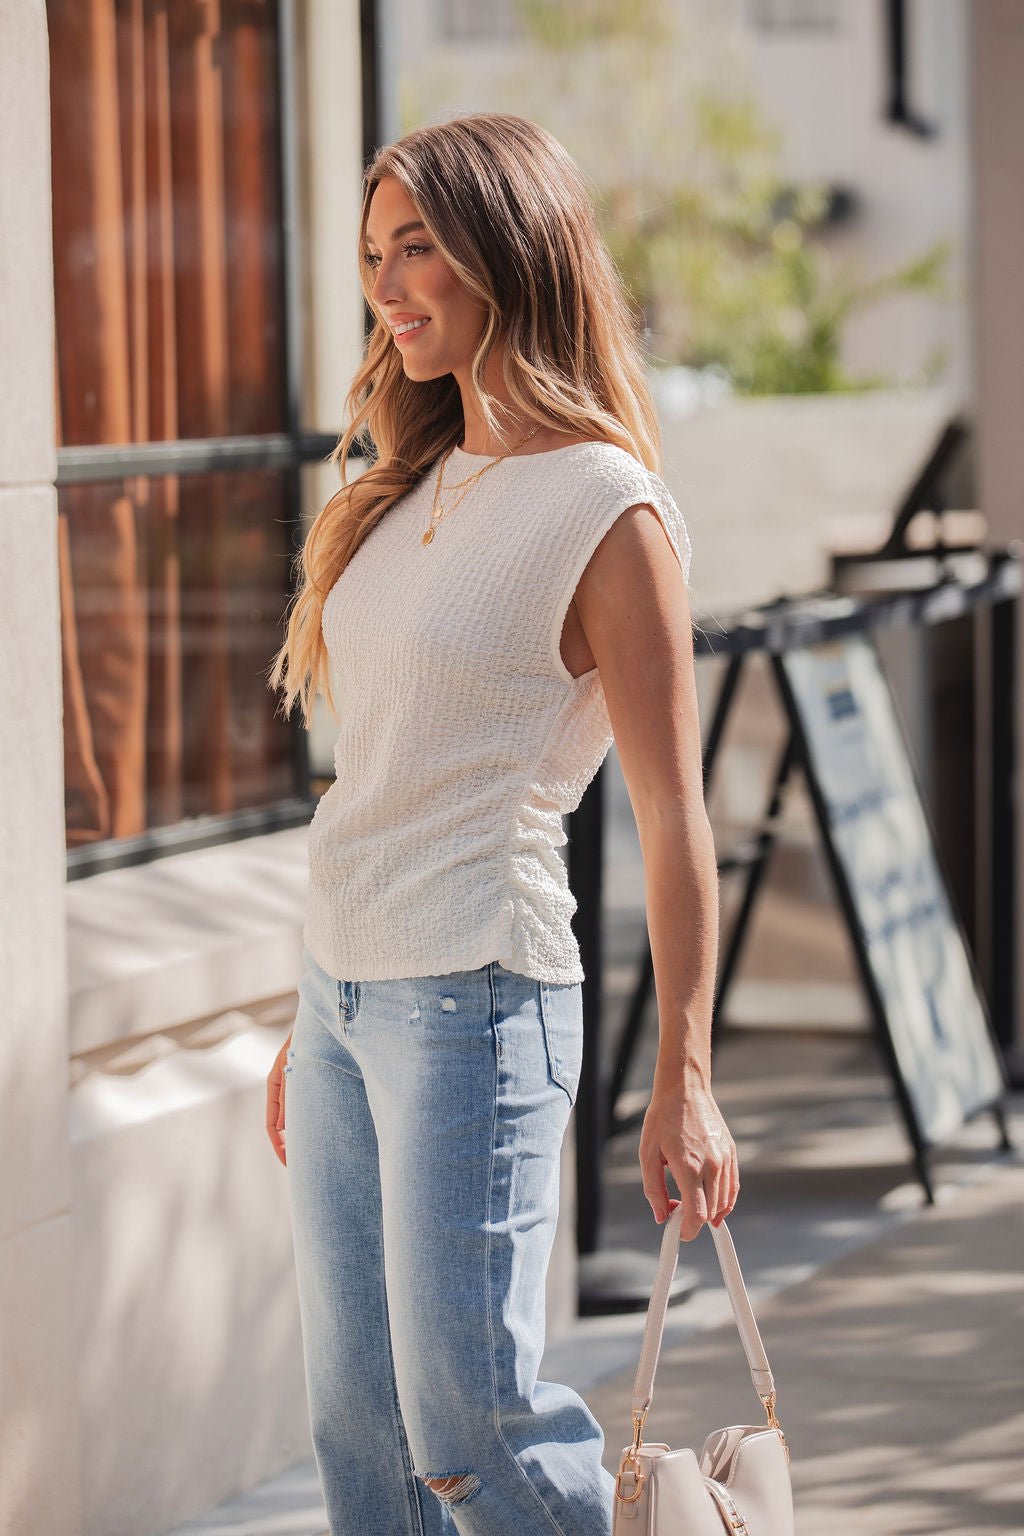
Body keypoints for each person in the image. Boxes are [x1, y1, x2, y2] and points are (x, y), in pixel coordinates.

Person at [264, 111, 738, 1536]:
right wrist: (312, 1007)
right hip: (347, 989)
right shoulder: (398, 487)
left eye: (419, 248)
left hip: (477, 989)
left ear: (510, 250)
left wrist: (688, 1072)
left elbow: (671, 810)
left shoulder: (606, 508)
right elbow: (380, 775)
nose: (390, 285)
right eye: (372, 255)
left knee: (470, 1423)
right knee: (363, 1427)